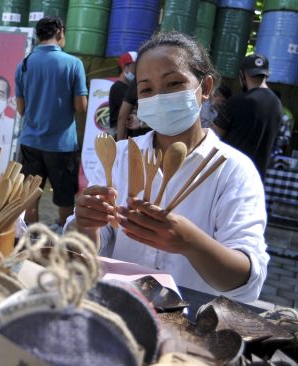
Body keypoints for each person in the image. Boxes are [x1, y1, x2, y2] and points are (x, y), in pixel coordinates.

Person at [69, 32, 269, 302]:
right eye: (146, 89)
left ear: (205, 87)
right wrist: (85, 224)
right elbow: (84, 248)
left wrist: (190, 242)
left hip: (192, 323)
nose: (159, 97)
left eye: (173, 83)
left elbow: (246, 281)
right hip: (117, 307)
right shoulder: (120, 155)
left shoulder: (233, 170)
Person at [15, 16, 88, 229]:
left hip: (30, 141)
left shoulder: (24, 64)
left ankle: (31, 234)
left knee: (31, 193)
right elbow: (81, 107)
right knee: (65, 196)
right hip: (62, 145)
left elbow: (21, 109)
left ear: (38, 36)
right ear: (60, 33)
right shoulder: (74, 64)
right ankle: (63, 234)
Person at [212, 53, 282, 180]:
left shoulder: (238, 101)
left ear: (242, 74)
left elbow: (215, 134)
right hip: (257, 177)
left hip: (230, 174)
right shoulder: (276, 104)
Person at [108, 51, 137, 137]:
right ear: (125, 67)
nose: (137, 71)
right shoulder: (117, 88)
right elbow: (123, 116)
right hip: (121, 136)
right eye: (135, 67)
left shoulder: (131, 87)